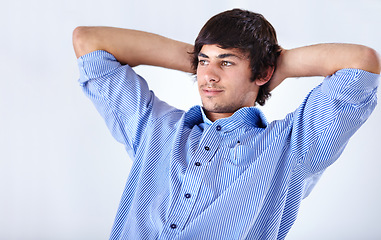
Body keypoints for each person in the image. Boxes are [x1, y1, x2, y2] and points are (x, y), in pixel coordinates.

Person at [73, 9, 380, 240]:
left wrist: (274, 67)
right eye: (204, 61)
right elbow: (89, 41)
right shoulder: (155, 128)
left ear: (262, 73)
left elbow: (361, 63)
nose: (208, 76)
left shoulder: (291, 147)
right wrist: (200, 58)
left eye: (227, 62)